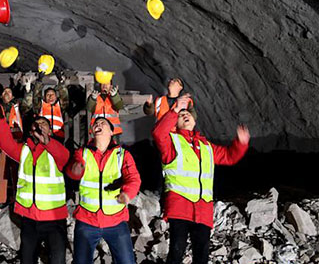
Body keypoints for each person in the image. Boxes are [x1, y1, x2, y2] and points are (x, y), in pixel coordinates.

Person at [152, 94, 249, 264]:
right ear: (176, 123)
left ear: (195, 120)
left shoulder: (206, 146)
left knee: (202, 254)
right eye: (181, 115)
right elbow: (159, 133)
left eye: (187, 113)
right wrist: (174, 110)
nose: (185, 115)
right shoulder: (172, 143)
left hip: (203, 209)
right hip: (179, 207)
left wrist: (240, 144)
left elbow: (228, 157)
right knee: (177, 251)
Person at [0, 110, 70, 264]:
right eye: (37, 125)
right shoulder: (24, 150)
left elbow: (65, 157)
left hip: (54, 218)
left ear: (50, 130)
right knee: (27, 259)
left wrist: (47, 141)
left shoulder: (56, 150)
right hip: (29, 217)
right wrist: (0, 120)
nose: (40, 126)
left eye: (44, 124)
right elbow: (6, 144)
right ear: (31, 131)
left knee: (57, 260)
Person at [66, 118, 141, 264]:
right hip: (87, 220)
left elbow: (134, 178)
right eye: (96, 124)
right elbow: (73, 171)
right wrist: (74, 171)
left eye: (103, 123)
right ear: (92, 131)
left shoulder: (122, 155)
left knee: (126, 262)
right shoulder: (83, 153)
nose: (98, 125)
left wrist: (127, 193)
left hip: (116, 221)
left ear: (112, 131)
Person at [0, 74, 31, 205]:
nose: (6, 93)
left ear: (13, 96)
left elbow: (29, 104)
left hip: (17, 143)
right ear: (1, 96)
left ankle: (18, 198)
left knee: (17, 172)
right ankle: (1, 200)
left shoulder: (18, 106)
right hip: (0, 145)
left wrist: (28, 88)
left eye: (9, 91)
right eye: (4, 92)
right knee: (0, 173)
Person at [30, 72, 69, 141]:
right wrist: (39, 81)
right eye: (48, 95)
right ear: (44, 97)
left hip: (58, 137)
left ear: (56, 97)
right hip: (43, 136)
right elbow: (36, 96)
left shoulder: (60, 106)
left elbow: (64, 96)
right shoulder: (40, 106)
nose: (50, 96)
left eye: (52, 94)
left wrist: (61, 81)